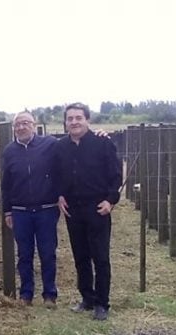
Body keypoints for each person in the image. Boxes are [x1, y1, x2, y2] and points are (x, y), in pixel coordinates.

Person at [54, 102, 122, 321]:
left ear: (87, 120)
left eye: (78, 118)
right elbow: (57, 175)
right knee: (80, 256)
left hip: (97, 208)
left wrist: (110, 201)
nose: (74, 122)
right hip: (73, 210)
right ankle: (87, 298)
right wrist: (60, 195)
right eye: (70, 119)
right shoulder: (61, 146)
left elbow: (115, 176)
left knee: (100, 257)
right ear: (65, 123)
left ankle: (102, 303)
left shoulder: (103, 143)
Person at [1, 111, 60, 308]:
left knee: (47, 252)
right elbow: (6, 184)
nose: (21, 127)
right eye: (17, 124)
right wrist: (7, 211)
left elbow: (71, 148)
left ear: (34, 125)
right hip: (20, 211)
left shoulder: (50, 144)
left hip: (46, 209)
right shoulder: (9, 151)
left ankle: (49, 294)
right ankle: (26, 294)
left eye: (25, 123)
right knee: (24, 254)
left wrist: (99, 134)